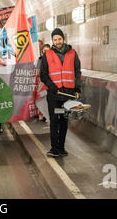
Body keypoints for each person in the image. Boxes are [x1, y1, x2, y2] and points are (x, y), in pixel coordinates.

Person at [40, 28, 81, 158]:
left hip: (67, 95)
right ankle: (54, 148)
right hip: (54, 95)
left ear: (63, 39)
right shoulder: (47, 54)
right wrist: (51, 86)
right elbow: (43, 74)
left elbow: (77, 72)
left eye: (59, 39)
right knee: (54, 121)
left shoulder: (73, 53)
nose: (57, 41)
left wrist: (77, 89)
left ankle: (62, 148)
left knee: (64, 121)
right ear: (52, 41)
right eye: (55, 39)